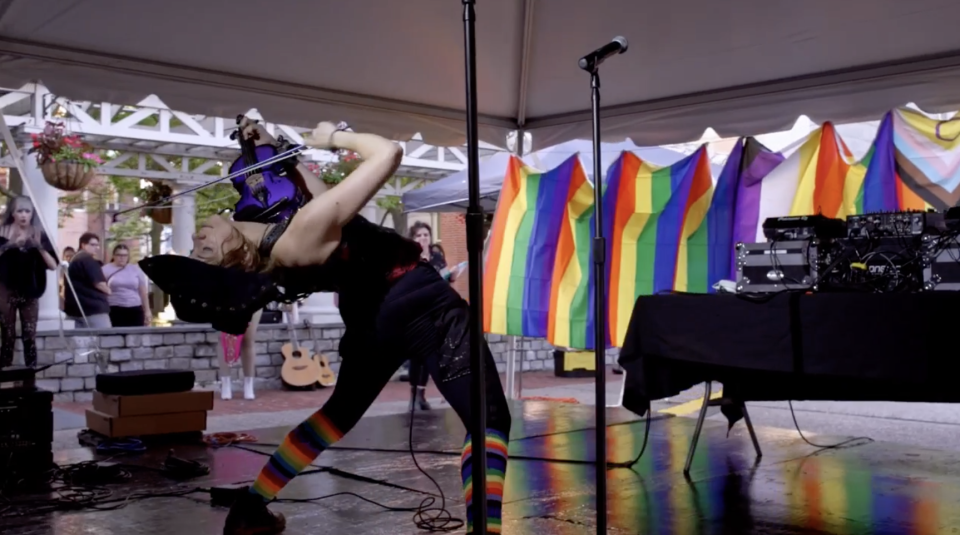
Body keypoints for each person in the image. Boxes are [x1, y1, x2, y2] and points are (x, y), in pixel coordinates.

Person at [140, 120, 511, 535]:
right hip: (418, 300)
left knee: (337, 415)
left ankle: (251, 506)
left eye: (195, 243)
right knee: (489, 418)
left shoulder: (274, 225)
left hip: (371, 317)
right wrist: (332, 138)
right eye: (201, 251)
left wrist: (268, 147)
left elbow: (312, 193)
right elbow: (387, 153)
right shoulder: (298, 236)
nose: (197, 241)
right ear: (233, 259)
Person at [0, 196, 57, 367]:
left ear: (32, 214)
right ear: (13, 213)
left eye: (27, 211)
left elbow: (53, 265)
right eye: (20, 211)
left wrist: (38, 246)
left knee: (29, 334)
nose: (24, 215)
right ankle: (4, 371)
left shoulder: (40, 233)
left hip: (31, 290)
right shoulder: (2, 232)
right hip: (6, 288)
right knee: (7, 333)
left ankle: (30, 375)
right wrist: (9, 244)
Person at [64, 233, 112, 329]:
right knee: (104, 340)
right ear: (83, 245)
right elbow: (99, 283)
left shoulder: (73, 260)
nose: (96, 248)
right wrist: (109, 291)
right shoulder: (87, 260)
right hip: (94, 310)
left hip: (74, 310)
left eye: (97, 245)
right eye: (93, 245)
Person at [101, 244, 151, 327]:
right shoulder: (105, 270)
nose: (122, 257)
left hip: (135, 307)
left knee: (136, 336)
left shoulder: (135, 269)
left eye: (125, 255)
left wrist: (147, 311)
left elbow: (143, 292)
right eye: (119, 255)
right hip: (115, 308)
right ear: (114, 256)